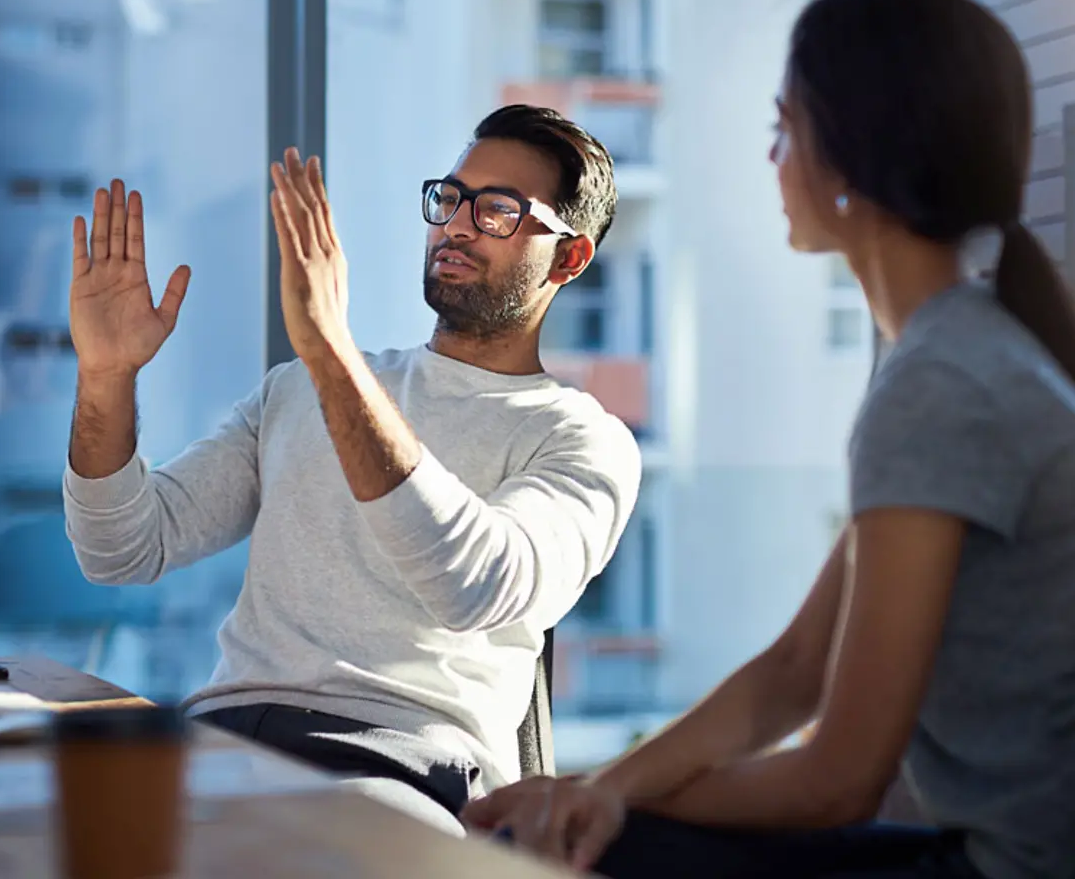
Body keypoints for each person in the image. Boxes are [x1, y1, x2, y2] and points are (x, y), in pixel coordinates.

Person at [462, 0, 1075, 878]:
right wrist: (601, 788)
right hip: (1005, 853)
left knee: (572, 853)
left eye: (785, 127)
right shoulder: (959, 352)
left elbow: (839, 780)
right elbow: (799, 666)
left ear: (850, 160)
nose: (772, 156)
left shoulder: (942, 385)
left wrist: (607, 805)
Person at [61, 105, 642, 831]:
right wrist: (106, 377)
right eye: (451, 199)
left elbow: (475, 584)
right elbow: (121, 548)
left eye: (497, 211)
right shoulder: (300, 388)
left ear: (568, 258)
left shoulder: (583, 439)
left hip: (397, 768)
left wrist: (330, 353)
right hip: (219, 742)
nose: (457, 225)